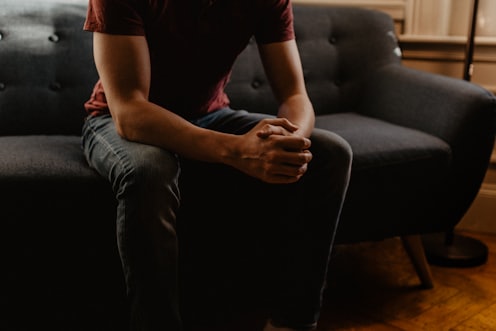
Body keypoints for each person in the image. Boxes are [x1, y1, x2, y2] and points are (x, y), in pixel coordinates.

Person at [82, 0, 352, 330]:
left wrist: (290, 143)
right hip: (116, 119)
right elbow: (129, 112)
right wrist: (238, 151)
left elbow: (296, 95)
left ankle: (292, 323)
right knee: (149, 172)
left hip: (211, 116)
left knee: (330, 153)